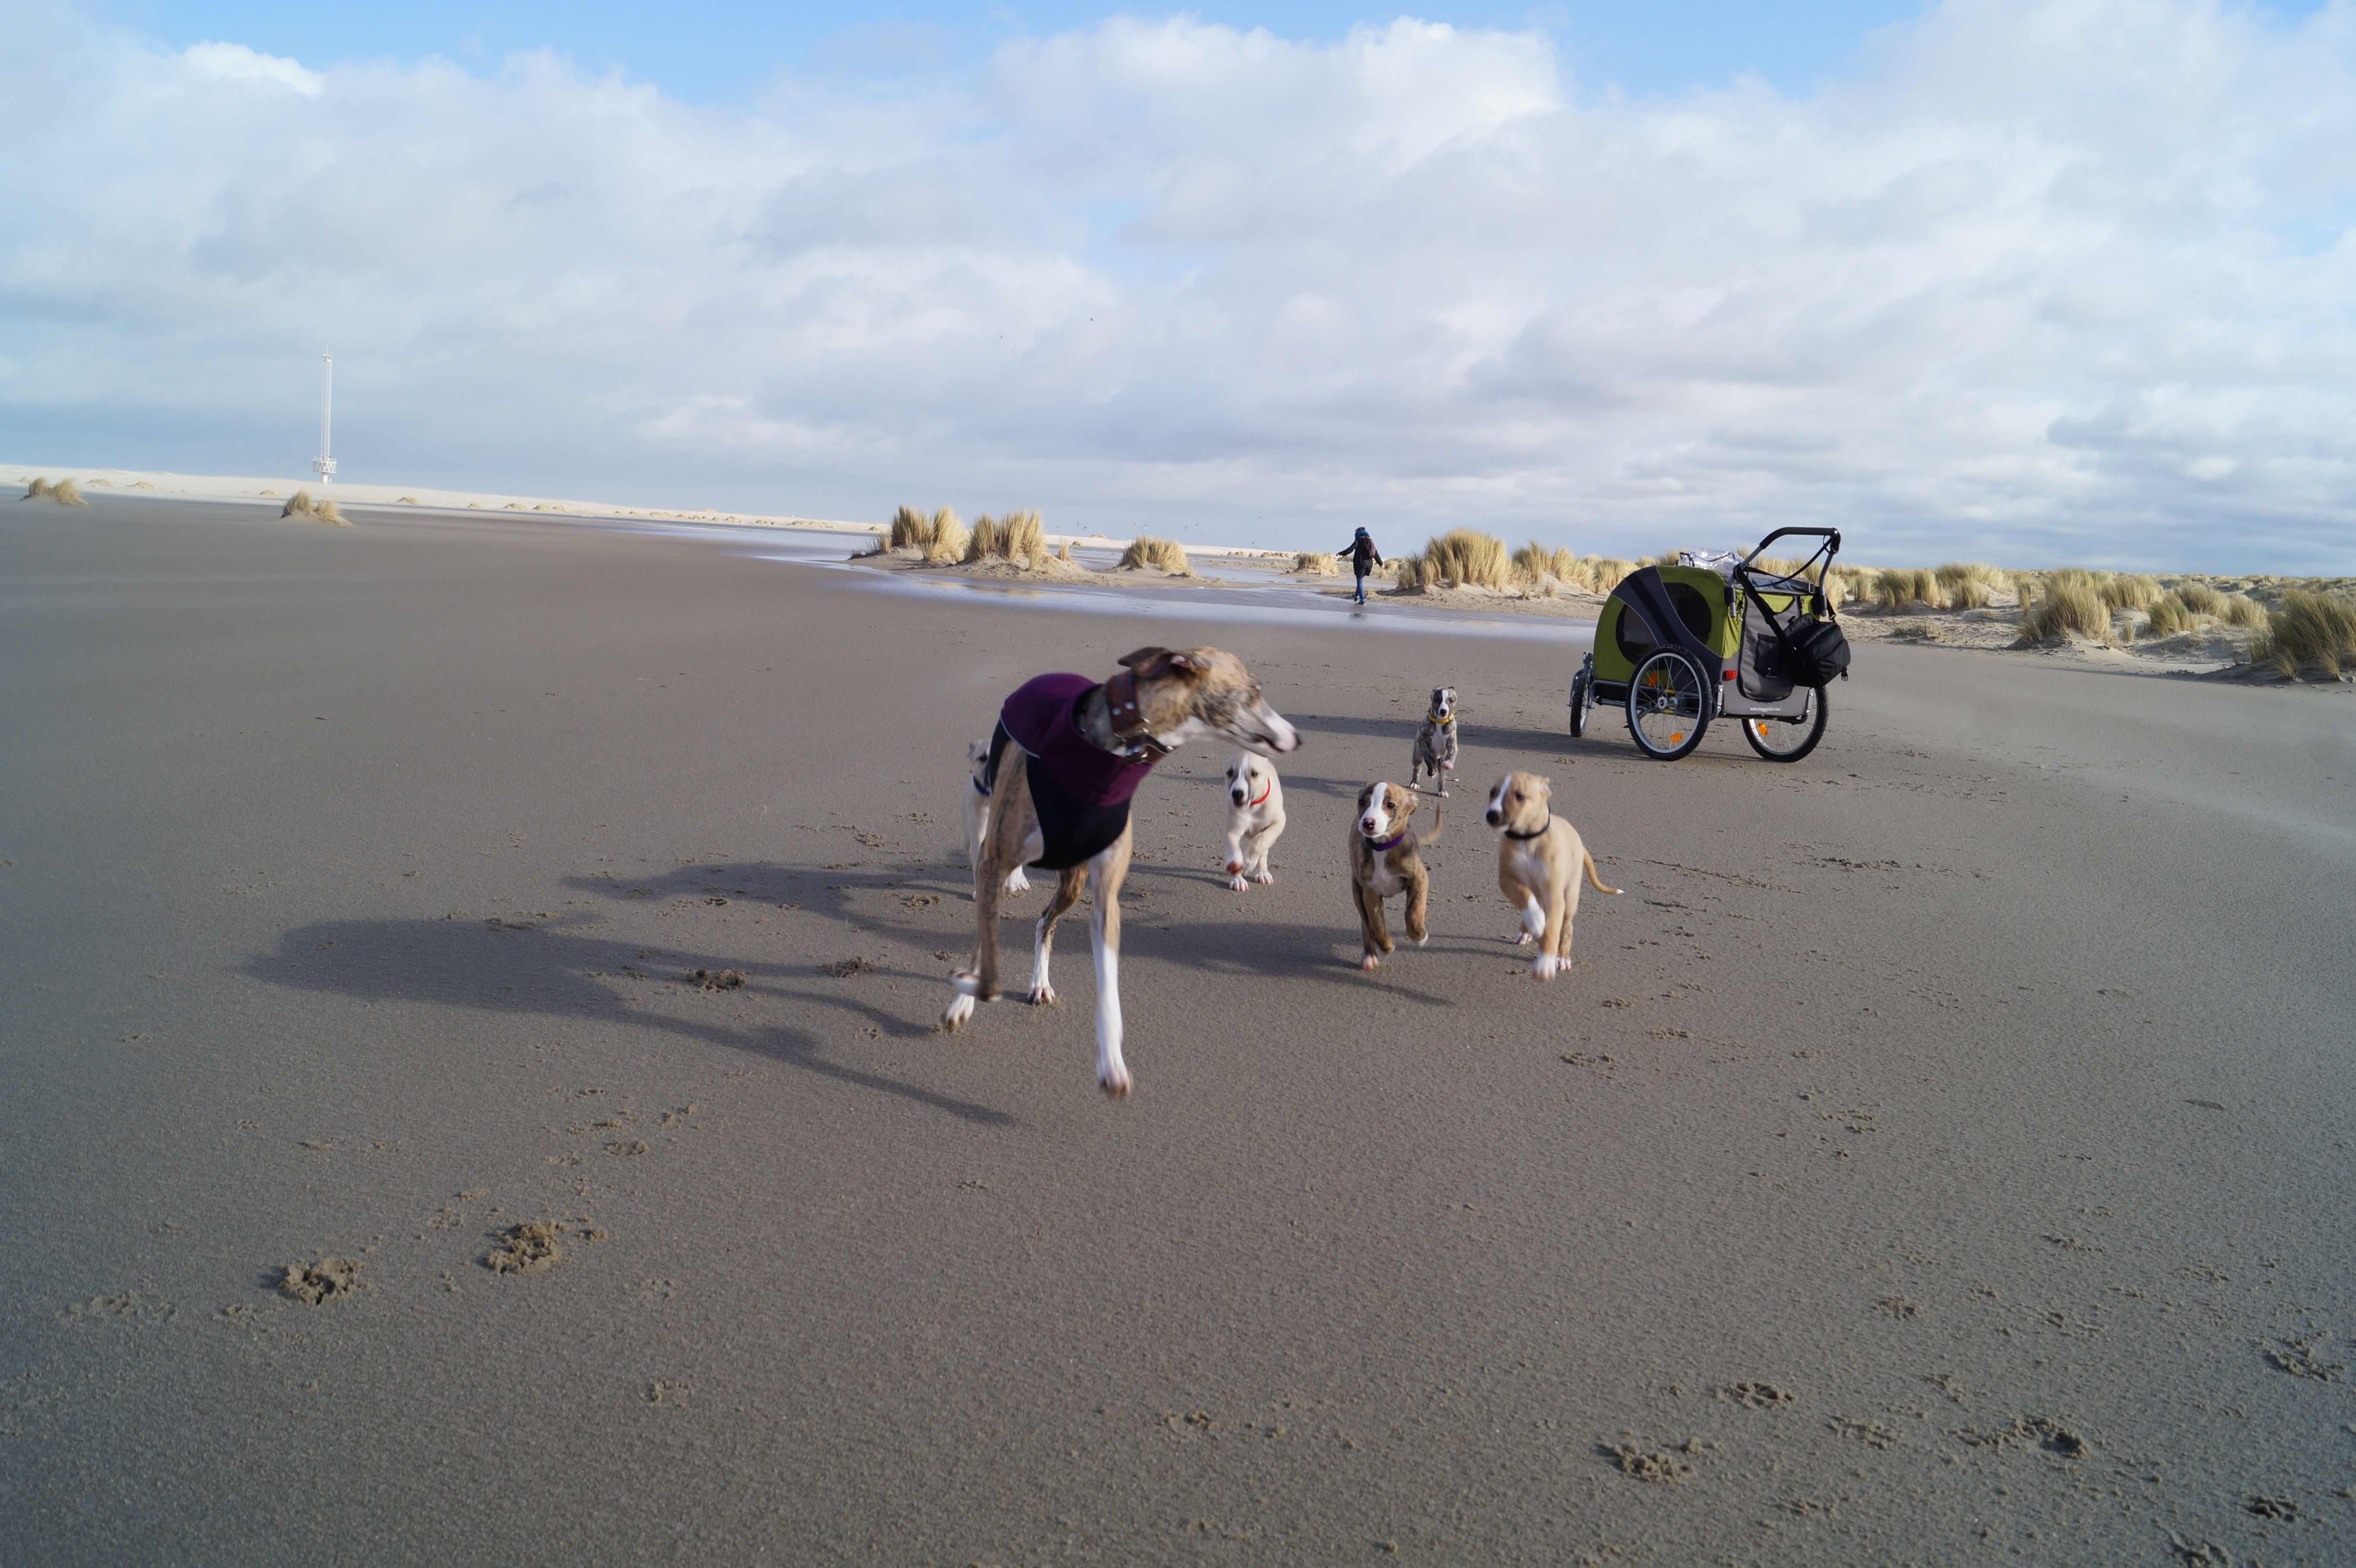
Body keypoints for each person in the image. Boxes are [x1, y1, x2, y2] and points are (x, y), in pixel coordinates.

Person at [1339, 527, 1384, 604]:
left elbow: (1350, 549)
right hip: (1369, 564)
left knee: (1359, 580)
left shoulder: (1359, 540)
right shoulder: (1370, 541)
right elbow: (1375, 553)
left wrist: (1341, 553)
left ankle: (1362, 599)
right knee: (1361, 579)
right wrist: (1381, 564)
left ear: (1358, 533)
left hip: (1360, 563)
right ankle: (1357, 595)